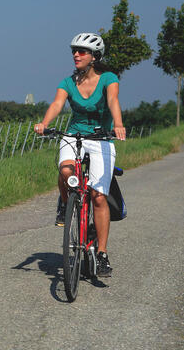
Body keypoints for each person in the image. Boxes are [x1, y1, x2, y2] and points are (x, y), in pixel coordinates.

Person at [34, 32, 126, 277]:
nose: (76, 54)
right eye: (74, 50)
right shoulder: (68, 82)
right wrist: (44, 123)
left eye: (82, 51)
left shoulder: (108, 78)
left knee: (98, 197)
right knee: (66, 171)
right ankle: (67, 204)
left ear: (94, 56)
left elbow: (113, 100)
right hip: (74, 135)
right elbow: (57, 104)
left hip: (101, 138)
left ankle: (102, 254)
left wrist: (118, 124)